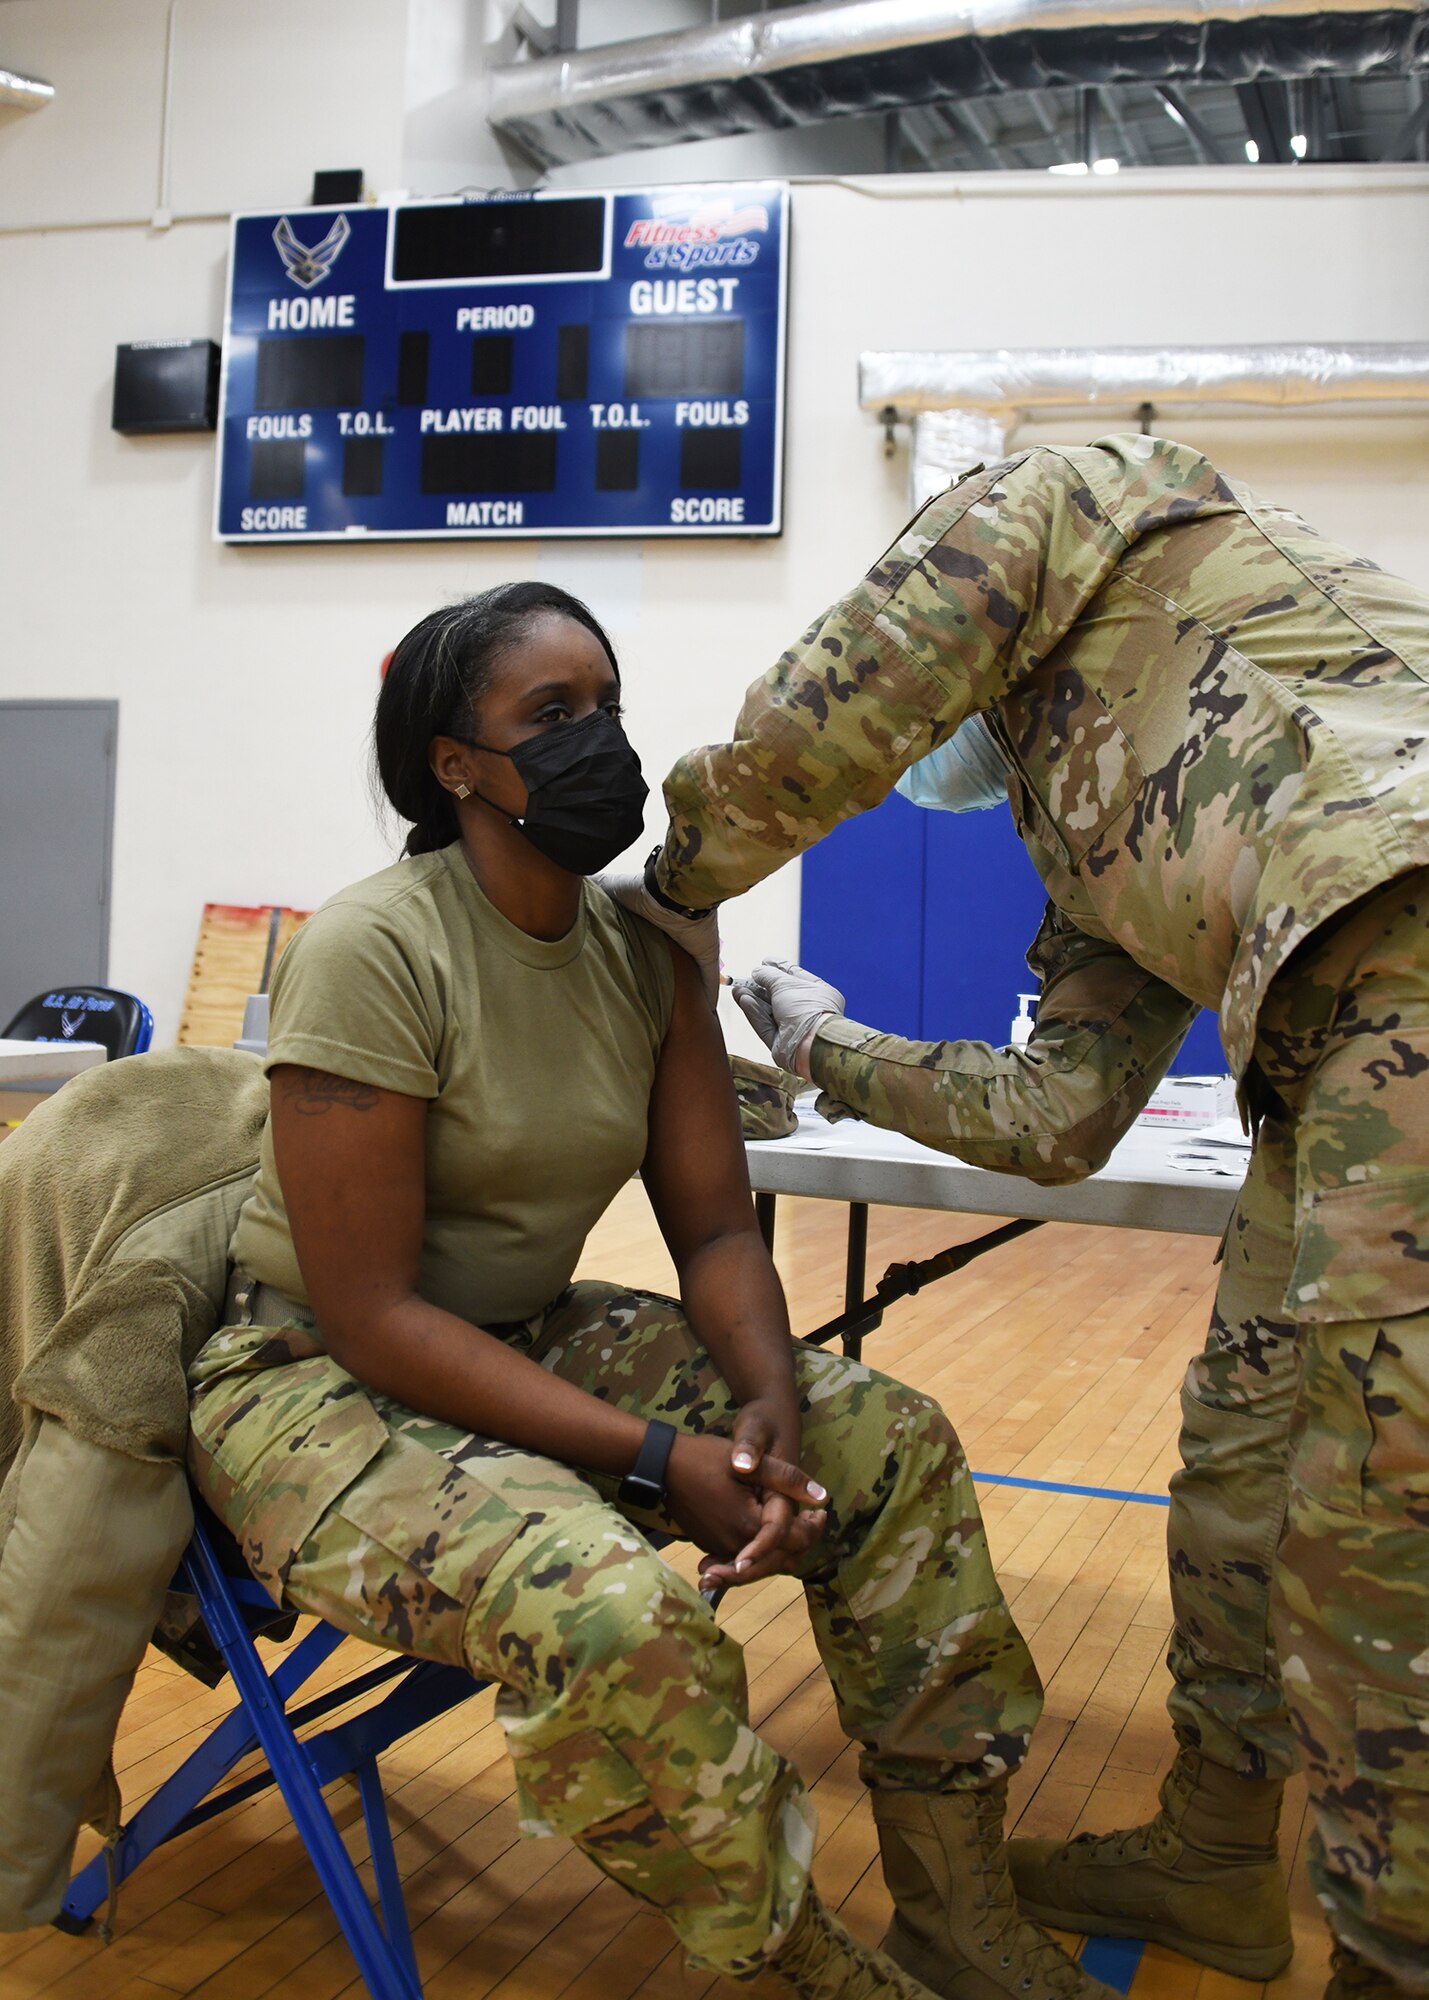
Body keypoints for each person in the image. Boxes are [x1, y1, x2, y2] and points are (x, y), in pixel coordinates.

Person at [186, 582, 1117, 2000]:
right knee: (611, 1608)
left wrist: (763, 1397)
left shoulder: (642, 950)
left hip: (524, 1331)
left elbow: (714, 1235)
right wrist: (654, 1458)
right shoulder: (374, 947)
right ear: (453, 763)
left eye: (607, 707)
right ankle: (800, 1964)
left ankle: (953, 1909)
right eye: (548, 716)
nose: (598, 744)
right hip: (315, 1374)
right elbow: (372, 1313)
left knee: (889, 1443)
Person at [619, 437, 1429, 2000]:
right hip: (1327, 1042)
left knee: (1378, 1546)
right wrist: (816, 1043)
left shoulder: (1077, 490)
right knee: (1247, 1473)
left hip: (1408, 921)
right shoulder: (1077, 824)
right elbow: (1054, 1115)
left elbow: (835, 703)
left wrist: (679, 872)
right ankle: (1213, 1848)